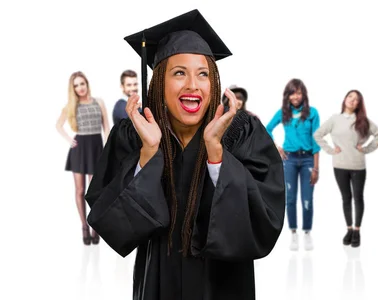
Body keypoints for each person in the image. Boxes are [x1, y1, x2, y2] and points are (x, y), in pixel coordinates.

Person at [84, 9, 285, 300]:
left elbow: (265, 221)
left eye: (203, 74)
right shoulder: (135, 135)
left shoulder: (241, 132)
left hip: (224, 285)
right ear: (159, 82)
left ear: (214, 83)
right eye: (180, 73)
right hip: (158, 281)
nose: (193, 85)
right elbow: (113, 223)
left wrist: (217, 156)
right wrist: (148, 154)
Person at [313, 90, 378, 248]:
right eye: (350, 97)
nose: (353, 101)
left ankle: (357, 230)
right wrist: (331, 150)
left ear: (359, 104)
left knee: (358, 197)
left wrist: (365, 149)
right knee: (346, 198)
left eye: (356, 99)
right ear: (345, 99)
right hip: (339, 165)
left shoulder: (362, 120)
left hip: (358, 165)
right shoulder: (335, 119)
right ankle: (349, 229)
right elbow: (318, 135)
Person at [55, 71, 110, 245]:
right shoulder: (71, 106)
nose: (80, 88)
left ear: (87, 83)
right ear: (73, 88)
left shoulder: (99, 102)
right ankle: (84, 226)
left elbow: (106, 127)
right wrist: (69, 139)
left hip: (96, 147)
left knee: (93, 192)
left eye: (82, 84)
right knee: (79, 190)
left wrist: (108, 149)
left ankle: (95, 226)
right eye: (76, 85)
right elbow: (58, 125)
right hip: (80, 149)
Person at [265, 78, 320, 251]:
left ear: (303, 94)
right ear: (287, 96)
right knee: (290, 198)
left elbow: (316, 140)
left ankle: (307, 232)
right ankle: (294, 233)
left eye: (298, 92)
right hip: (289, 159)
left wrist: (316, 168)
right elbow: (267, 129)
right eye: (292, 93)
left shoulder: (312, 113)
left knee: (307, 199)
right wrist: (277, 147)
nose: (295, 96)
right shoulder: (283, 112)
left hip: (307, 160)